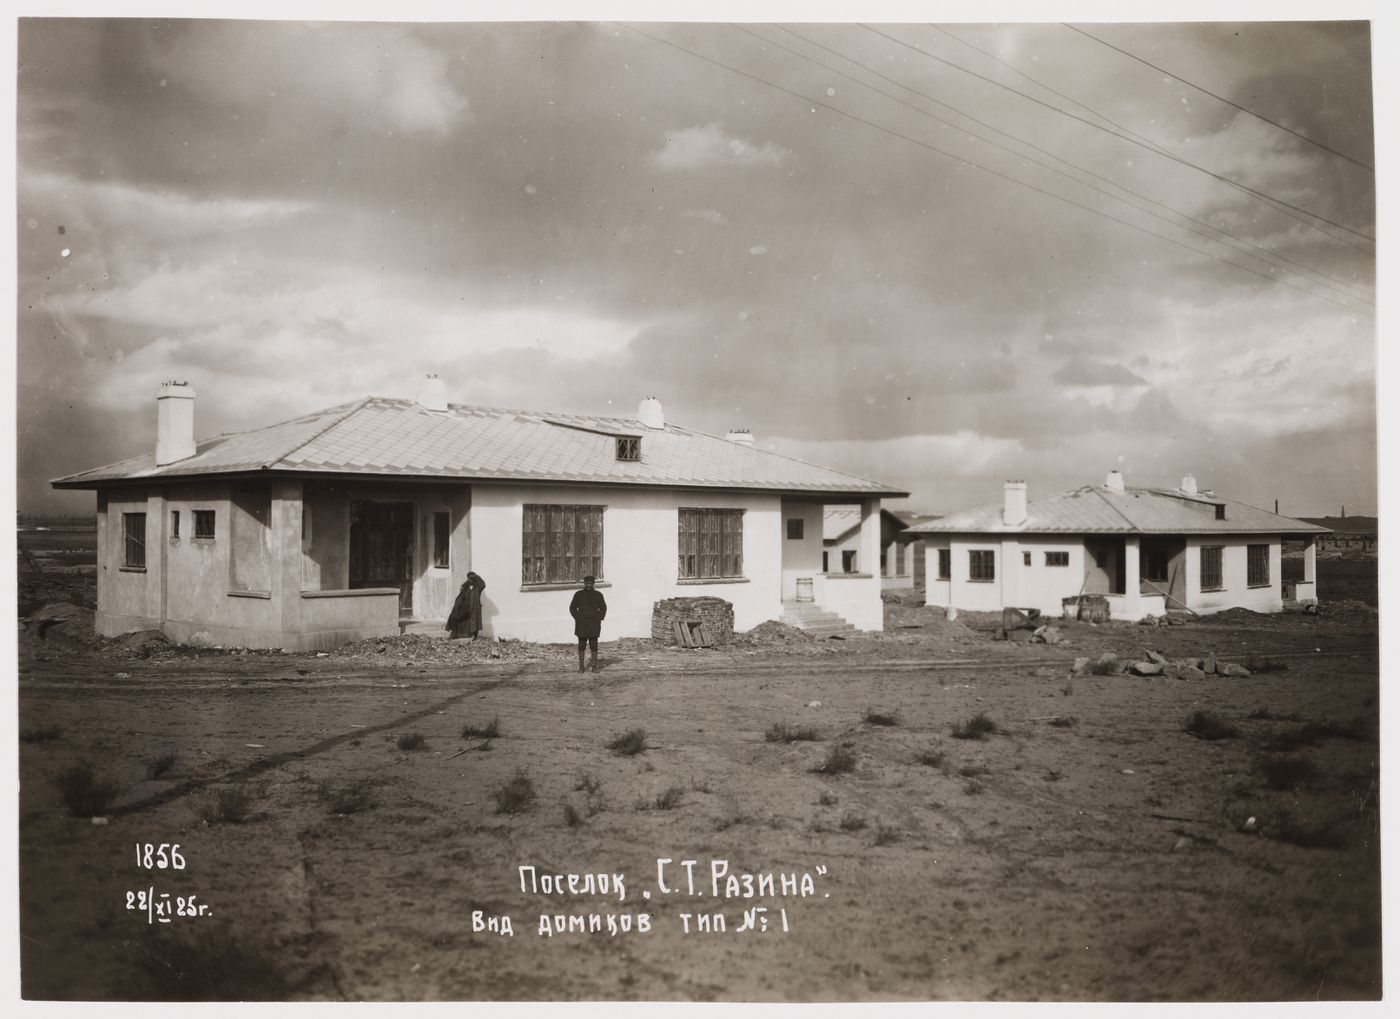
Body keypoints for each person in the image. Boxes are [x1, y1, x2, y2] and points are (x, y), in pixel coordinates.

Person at [569, 574, 607, 673]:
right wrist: (577, 617)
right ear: (584, 583)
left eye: (591, 583)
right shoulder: (578, 594)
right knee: (581, 645)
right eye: (587, 583)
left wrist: (599, 618)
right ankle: (581, 667)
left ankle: (594, 666)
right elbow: (572, 608)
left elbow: (603, 608)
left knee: (593, 645)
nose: (589, 585)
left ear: (593, 584)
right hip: (582, 624)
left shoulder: (598, 595)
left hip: (594, 624)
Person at [446, 571, 485, 640]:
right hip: (464, 607)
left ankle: (474, 636)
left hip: (473, 608)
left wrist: (476, 576)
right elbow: (460, 598)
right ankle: (454, 634)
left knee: (474, 621)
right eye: (469, 578)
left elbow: (483, 584)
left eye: (472, 579)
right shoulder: (465, 587)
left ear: (474, 579)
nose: (471, 580)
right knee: (453, 616)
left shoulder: (478, 588)